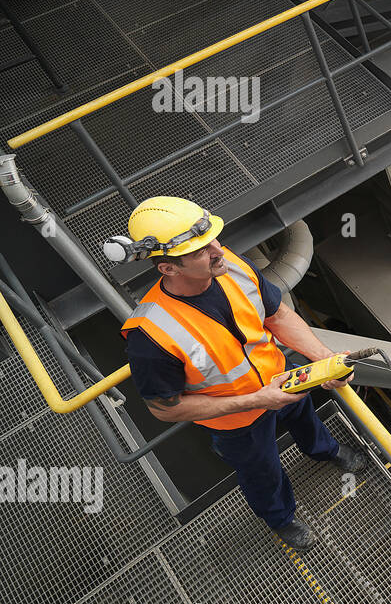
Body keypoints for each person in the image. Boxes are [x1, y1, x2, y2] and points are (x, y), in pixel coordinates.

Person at [113, 196, 365, 550]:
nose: (218, 249)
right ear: (169, 268)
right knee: (262, 472)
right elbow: (165, 408)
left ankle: (324, 451)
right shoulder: (151, 334)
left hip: (282, 377)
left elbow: (276, 316)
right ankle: (281, 518)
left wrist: (323, 359)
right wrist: (258, 399)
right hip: (237, 422)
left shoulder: (230, 265)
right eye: (201, 249)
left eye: (214, 239)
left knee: (307, 419)